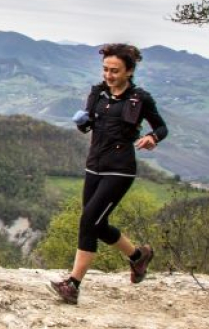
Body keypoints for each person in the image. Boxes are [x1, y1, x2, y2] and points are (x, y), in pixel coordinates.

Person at [50, 43, 169, 305]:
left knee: (88, 221)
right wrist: (82, 123)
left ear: (129, 71)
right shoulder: (98, 94)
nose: (108, 75)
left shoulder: (140, 99)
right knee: (98, 224)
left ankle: (73, 284)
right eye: (105, 69)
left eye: (114, 71)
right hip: (94, 164)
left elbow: (161, 128)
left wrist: (151, 137)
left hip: (120, 169)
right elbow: (90, 125)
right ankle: (138, 256)